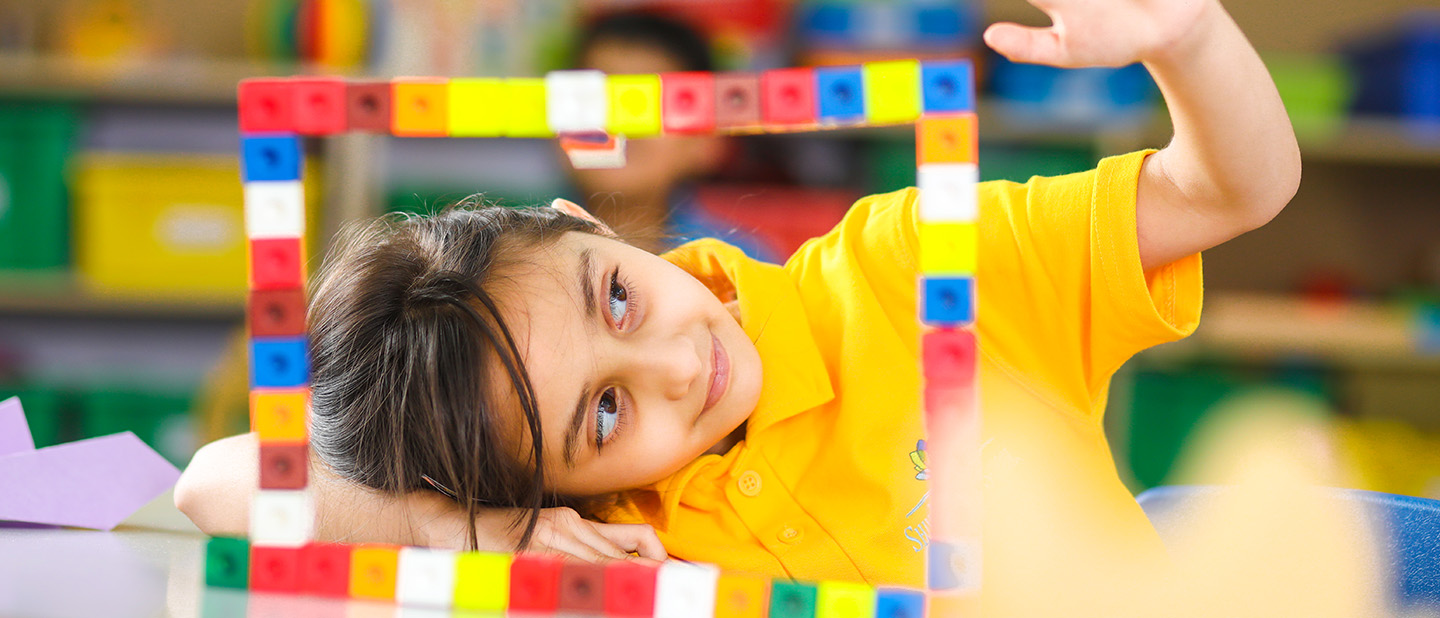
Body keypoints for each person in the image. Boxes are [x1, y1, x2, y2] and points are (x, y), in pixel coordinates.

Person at [177, 0, 1300, 610]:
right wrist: (448, 526)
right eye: (604, 415)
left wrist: (1190, 39)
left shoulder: (912, 267)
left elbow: (1233, 190)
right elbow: (217, 480)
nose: (675, 369)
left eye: (620, 300)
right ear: (548, 486)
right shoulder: (617, 534)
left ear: (582, 222)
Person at [564, 11, 779, 261]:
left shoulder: (739, 265)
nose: (618, 123)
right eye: (595, 100)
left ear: (707, 141)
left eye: (648, 105)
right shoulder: (521, 250)